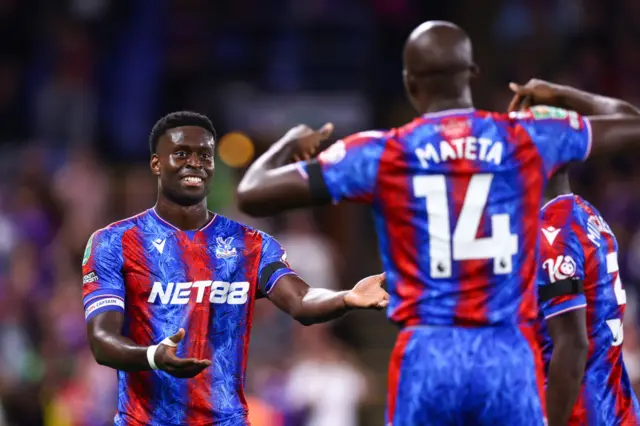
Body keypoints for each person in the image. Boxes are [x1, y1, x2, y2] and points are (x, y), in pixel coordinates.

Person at [236, 21, 640, 426]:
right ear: (472, 75)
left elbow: (253, 192)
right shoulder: (523, 138)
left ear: (410, 84)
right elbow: (632, 125)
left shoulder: (386, 150)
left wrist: (288, 143)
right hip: (507, 350)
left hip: (428, 350)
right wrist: (565, 96)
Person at [81, 111, 389, 426]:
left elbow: (301, 300)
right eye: (182, 154)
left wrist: (347, 297)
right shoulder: (114, 242)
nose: (195, 163)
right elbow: (102, 340)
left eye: (204, 155)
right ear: (156, 163)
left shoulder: (251, 244)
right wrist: (153, 356)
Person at [510, 82, 640, 425]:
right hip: (617, 406)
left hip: (580, 414)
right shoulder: (583, 212)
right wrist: (562, 96)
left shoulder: (551, 236)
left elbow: (572, 347)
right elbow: (630, 121)